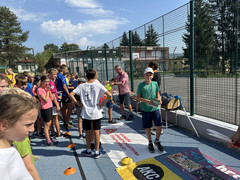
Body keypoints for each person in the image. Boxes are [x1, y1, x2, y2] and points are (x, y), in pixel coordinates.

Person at [69, 69, 111, 159]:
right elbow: (109, 95)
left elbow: (71, 94)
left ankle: (88, 150)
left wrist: (77, 103)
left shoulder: (81, 86)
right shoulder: (98, 85)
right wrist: (102, 104)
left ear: (86, 76)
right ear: (95, 76)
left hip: (86, 111)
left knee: (87, 131)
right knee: (96, 131)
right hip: (96, 111)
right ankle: (96, 151)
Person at [2, 88, 41, 180]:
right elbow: (29, 168)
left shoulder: (11, 150)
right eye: (28, 125)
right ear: (4, 125)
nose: (32, 129)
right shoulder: (3, 161)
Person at [136, 67, 164, 153]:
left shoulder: (155, 84)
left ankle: (157, 140)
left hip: (155, 108)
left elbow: (158, 94)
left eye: (150, 74)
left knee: (159, 126)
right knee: (148, 127)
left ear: (152, 76)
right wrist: (147, 101)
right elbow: (138, 97)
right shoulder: (141, 85)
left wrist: (159, 99)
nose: (148, 76)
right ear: (144, 75)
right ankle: (150, 142)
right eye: (147, 74)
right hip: (146, 109)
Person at [37, 75, 54, 146]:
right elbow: (45, 100)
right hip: (45, 108)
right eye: (45, 82)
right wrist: (47, 92)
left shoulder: (46, 89)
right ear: (41, 82)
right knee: (46, 125)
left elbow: (52, 98)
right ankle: (48, 140)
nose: (47, 83)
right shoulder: (39, 90)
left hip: (50, 107)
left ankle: (48, 138)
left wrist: (49, 91)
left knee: (49, 124)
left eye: (48, 82)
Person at [148, 61, 163, 135]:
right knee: (153, 112)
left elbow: (156, 86)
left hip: (156, 96)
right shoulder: (155, 74)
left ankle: (159, 129)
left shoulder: (155, 75)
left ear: (152, 67)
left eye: (149, 67)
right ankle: (155, 127)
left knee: (156, 113)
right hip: (154, 96)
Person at [57, 65, 73, 129]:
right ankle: (66, 121)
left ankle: (65, 121)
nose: (67, 71)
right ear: (63, 69)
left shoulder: (58, 76)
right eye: (66, 70)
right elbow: (64, 86)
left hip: (61, 93)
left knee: (64, 108)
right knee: (70, 107)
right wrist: (68, 94)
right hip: (65, 94)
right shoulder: (62, 77)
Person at [48, 68, 63, 139]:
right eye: (54, 74)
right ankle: (58, 133)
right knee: (55, 118)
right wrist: (57, 105)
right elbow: (52, 94)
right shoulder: (51, 82)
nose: (55, 76)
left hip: (52, 102)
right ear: (50, 75)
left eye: (56, 74)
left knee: (52, 118)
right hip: (53, 103)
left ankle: (53, 132)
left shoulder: (50, 82)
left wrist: (57, 93)